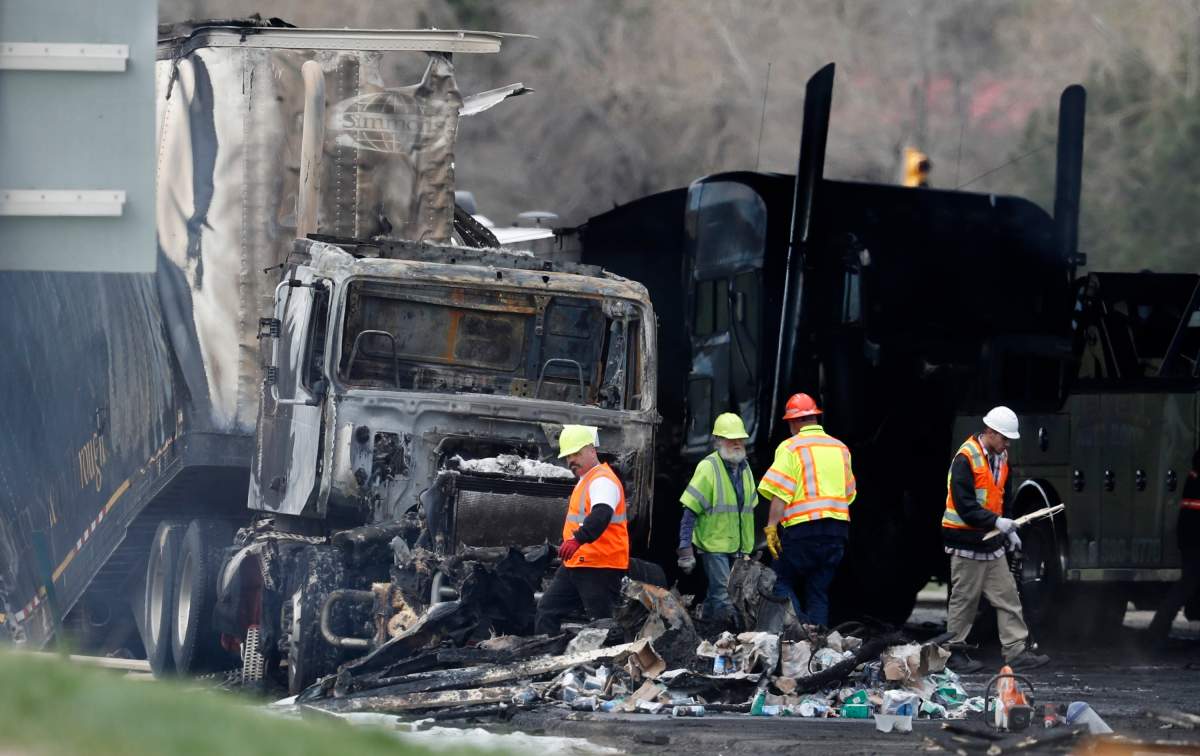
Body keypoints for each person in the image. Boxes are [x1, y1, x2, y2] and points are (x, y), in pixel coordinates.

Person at [942, 406, 1048, 671]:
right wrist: (997, 522)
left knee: (1008, 597)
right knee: (964, 601)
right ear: (989, 432)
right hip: (966, 544)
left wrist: (1008, 529)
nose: (1007, 443)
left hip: (991, 544)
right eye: (1004, 437)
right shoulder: (965, 459)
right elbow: (965, 506)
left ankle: (1016, 652)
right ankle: (954, 653)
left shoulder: (1002, 459)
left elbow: (1003, 499)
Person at [758, 393, 855, 627]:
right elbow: (850, 493)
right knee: (818, 590)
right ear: (815, 418)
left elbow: (780, 492)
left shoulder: (791, 448)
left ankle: (798, 631)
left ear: (793, 422)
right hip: (837, 532)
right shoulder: (840, 448)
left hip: (803, 532)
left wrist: (771, 529)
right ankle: (817, 642)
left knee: (780, 580)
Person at [534, 424, 630, 635]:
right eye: (567, 456)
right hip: (578, 562)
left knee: (603, 625)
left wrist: (577, 539)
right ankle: (546, 659)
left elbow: (601, 514)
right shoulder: (586, 481)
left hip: (600, 564)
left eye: (576, 453)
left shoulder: (603, 480)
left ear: (592, 450)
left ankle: (608, 666)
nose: (571, 461)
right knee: (547, 610)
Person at [677, 412, 758, 623]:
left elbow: (748, 513)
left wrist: (749, 550)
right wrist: (685, 549)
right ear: (719, 441)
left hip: (739, 548)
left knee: (721, 595)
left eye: (740, 439)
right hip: (714, 545)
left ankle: (705, 626)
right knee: (725, 595)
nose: (737, 443)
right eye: (732, 439)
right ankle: (726, 640)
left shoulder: (746, 469)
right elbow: (690, 510)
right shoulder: (709, 467)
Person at [1148, 449, 1200, 641]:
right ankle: (1156, 632)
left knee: (1185, 586)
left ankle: (1157, 631)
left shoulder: (1194, 476)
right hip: (1195, 540)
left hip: (1190, 538)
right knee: (1186, 586)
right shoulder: (1196, 479)